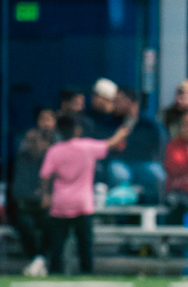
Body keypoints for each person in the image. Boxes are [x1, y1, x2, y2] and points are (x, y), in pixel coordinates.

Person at [39, 113, 128, 274]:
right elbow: (110, 144)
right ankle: (86, 273)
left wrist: (46, 195)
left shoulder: (54, 151)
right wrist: (121, 132)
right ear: (77, 130)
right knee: (85, 245)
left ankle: (55, 273)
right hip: (82, 203)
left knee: (57, 246)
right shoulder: (87, 147)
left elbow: (45, 175)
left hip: (60, 204)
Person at [12, 106, 58, 269]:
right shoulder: (27, 142)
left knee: (52, 226)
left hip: (53, 199)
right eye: (42, 119)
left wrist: (48, 194)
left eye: (49, 119)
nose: (45, 123)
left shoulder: (59, 144)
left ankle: (42, 259)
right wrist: (32, 143)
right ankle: (35, 259)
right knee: (24, 224)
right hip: (28, 198)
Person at [108, 88, 165, 203]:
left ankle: (157, 206)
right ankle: (123, 208)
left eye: (118, 101)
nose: (114, 104)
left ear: (129, 101)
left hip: (143, 162)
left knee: (159, 174)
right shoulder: (111, 123)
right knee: (119, 172)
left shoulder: (148, 124)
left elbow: (155, 147)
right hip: (122, 163)